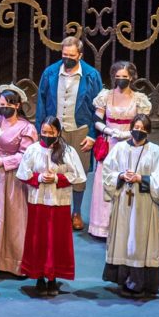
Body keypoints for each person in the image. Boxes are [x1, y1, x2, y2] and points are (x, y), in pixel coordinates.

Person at [34, 37, 102, 232]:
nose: (68, 59)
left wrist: (92, 134)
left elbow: (98, 107)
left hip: (80, 130)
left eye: (72, 56)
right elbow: (41, 101)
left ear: (80, 55)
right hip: (55, 130)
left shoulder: (90, 75)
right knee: (53, 170)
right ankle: (57, 211)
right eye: (64, 55)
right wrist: (41, 130)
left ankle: (77, 212)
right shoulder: (50, 73)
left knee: (78, 174)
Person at [100, 115, 159, 298]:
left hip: (144, 205)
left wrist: (141, 178)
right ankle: (124, 279)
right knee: (125, 238)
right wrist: (121, 176)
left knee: (139, 240)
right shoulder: (120, 149)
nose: (138, 131)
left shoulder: (155, 151)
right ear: (131, 128)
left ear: (148, 131)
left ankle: (140, 282)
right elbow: (108, 171)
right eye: (136, 127)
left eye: (142, 128)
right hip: (124, 201)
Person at [17, 117, 86, 297]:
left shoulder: (67, 151)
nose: (47, 136)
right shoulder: (32, 150)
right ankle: (39, 276)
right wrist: (39, 178)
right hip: (38, 201)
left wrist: (57, 179)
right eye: (44, 132)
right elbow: (23, 173)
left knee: (56, 240)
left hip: (59, 203)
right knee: (38, 239)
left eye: (51, 133)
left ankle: (53, 277)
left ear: (58, 133)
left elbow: (78, 175)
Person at [0, 85, 37, 277]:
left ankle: (12, 262)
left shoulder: (26, 127)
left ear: (17, 105)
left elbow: (27, 154)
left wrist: (3, 161)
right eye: (1, 104)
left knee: (11, 218)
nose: (4, 108)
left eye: (8, 105)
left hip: (11, 178)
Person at [87, 62, 152, 239]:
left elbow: (143, 122)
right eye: (118, 77)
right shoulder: (105, 96)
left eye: (125, 77)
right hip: (110, 143)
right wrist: (109, 131)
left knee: (127, 181)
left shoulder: (139, 99)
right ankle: (102, 226)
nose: (121, 80)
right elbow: (97, 119)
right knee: (105, 181)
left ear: (131, 77)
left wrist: (129, 134)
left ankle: (126, 226)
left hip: (131, 144)